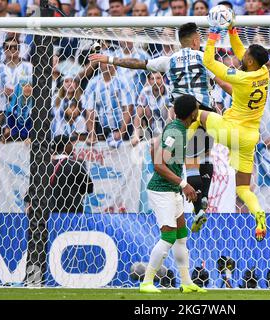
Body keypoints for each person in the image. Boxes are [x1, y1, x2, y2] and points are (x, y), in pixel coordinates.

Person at [89, 22, 231, 233]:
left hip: (184, 116)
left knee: (190, 163)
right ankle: (205, 198)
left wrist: (109, 59)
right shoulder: (204, 58)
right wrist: (239, 96)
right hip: (206, 112)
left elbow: (138, 63)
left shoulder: (169, 60)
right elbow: (222, 82)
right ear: (195, 41)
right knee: (207, 156)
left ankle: (198, 207)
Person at [197, 20, 270, 241]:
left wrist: (213, 34)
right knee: (243, 189)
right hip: (250, 138)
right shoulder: (263, 71)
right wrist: (232, 30)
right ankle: (259, 218)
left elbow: (209, 61)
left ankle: (192, 174)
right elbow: (241, 52)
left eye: (245, 55)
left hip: (232, 132)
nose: (242, 54)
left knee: (194, 113)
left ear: (248, 61)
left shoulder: (241, 77)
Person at [141, 94, 206, 294]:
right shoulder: (177, 132)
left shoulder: (176, 127)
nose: (198, 111)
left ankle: (186, 282)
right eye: (197, 108)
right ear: (191, 113)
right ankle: (146, 282)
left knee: (181, 237)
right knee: (168, 236)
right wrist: (183, 183)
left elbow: (154, 148)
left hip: (172, 190)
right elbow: (159, 164)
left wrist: (181, 185)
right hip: (162, 191)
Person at [82, 53, 133, 147]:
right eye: (105, 62)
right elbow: (89, 110)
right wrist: (92, 134)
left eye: (111, 61)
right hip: (102, 130)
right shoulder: (93, 83)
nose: (108, 65)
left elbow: (128, 109)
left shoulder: (123, 82)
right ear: (100, 65)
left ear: (116, 65)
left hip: (123, 128)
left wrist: (121, 133)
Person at [48, 134, 94, 213]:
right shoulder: (75, 166)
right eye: (70, 143)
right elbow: (89, 188)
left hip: (50, 213)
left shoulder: (45, 166)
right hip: (72, 213)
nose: (72, 146)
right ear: (65, 147)